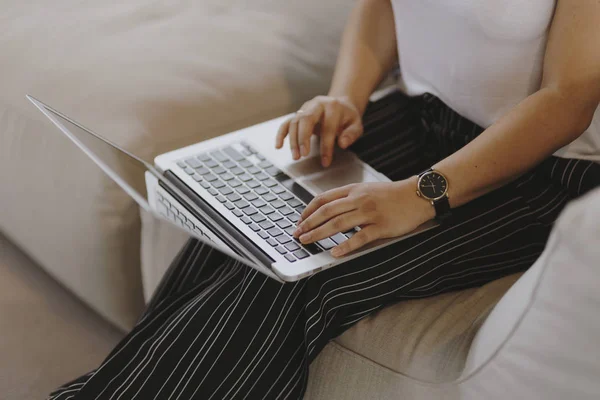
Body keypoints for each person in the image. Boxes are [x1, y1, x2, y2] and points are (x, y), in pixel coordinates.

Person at [49, 0, 600, 399]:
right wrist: (345, 97)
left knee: (310, 278)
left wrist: (419, 194)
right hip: (421, 114)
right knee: (232, 218)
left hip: (542, 170)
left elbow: (568, 96)